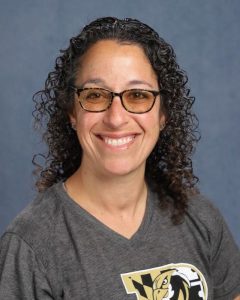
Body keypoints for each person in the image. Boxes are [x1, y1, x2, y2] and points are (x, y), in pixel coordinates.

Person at [0, 17, 239, 300]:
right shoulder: (29, 245)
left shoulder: (200, 218)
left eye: (138, 95)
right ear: (72, 113)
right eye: (96, 95)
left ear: (163, 115)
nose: (116, 118)